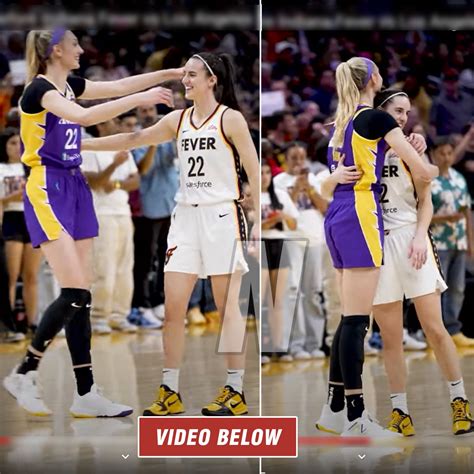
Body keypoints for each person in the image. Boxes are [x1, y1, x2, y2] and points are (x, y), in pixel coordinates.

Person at [2, 28, 180, 417]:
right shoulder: (39, 90)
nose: (81, 50)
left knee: (83, 295)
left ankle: (85, 393)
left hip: (76, 185)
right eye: (75, 45)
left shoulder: (70, 85)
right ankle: (25, 372)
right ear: (56, 51)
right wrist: (142, 98)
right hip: (46, 185)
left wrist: (168, 74)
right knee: (73, 290)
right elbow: (84, 116)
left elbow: (118, 84)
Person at [82, 52, 260, 416]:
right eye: (186, 75)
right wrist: (81, 144)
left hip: (221, 215)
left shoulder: (231, 119)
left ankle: (235, 390)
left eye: (193, 75)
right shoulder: (177, 120)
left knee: (227, 308)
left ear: (212, 80)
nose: (186, 81)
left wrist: (255, 218)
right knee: (173, 309)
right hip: (184, 219)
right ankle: (170, 390)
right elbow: (134, 138)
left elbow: (253, 170)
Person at [314, 57, 438, 437]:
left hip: (336, 215)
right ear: (372, 80)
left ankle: (334, 408)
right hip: (362, 214)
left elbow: (326, 180)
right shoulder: (377, 119)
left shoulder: (340, 125)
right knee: (356, 322)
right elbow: (422, 172)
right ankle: (356, 417)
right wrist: (423, 157)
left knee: (348, 318)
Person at [369, 89, 473, 436]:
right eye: (396, 111)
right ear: (380, 111)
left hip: (411, 239)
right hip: (375, 246)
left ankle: (460, 402)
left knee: (434, 328)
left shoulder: (412, 148)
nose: (402, 117)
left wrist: (419, 235)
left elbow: (425, 201)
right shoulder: (362, 146)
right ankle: (400, 411)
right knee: (391, 338)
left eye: (406, 112)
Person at [274, 142, 328, 360]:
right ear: (285, 159)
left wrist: (310, 188)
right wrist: (296, 189)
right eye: (294, 158)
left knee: (313, 292)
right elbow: (284, 213)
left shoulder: (313, 179)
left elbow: (324, 208)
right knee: (292, 292)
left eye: (301, 158)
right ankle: (295, 344)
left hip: (315, 240)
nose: (298, 162)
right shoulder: (278, 182)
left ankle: (314, 343)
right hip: (291, 241)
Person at [430, 137, 474, 347]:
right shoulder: (429, 180)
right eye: (442, 153)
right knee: (437, 289)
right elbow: (420, 215)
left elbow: (467, 213)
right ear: (433, 155)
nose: (447, 157)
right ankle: (434, 331)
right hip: (438, 242)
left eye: (449, 153)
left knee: (457, 288)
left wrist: (471, 242)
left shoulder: (458, 178)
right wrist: (445, 219)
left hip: (459, 241)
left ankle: (453, 329)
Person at [0, 128, 42, 332]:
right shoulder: (1, 169)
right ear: (5, 147)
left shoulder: (33, 168)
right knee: (11, 275)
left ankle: (32, 322)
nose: (17, 148)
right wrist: (12, 197)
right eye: (12, 144)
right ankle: (9, 323)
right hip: (10, 218)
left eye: (20, 143)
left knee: (31, 275)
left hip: (32, 219)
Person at [261, 159, 299, 364]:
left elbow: (293, 224)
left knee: (277, 301)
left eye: (267, 172)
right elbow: (249, 225)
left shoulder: (281, 195)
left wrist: (282, 216)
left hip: (280, 246)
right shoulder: (250, 195)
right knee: (261, 300)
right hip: (260, 246)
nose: (265, 176)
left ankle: (279, 346)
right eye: (261, 172)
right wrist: (270, 221)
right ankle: (262, 348)